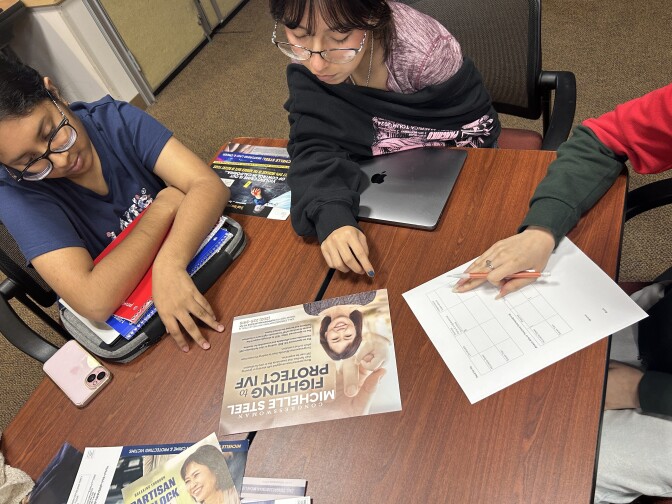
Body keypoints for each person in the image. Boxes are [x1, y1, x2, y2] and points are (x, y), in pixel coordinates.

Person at [454, 83, 672, 503]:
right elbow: (605, 137)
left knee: (532, 470)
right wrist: (542, 229)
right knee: (491, 383)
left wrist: (641, 391)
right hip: (663, 324)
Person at [0, 57, 230, 352]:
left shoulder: (113, 119)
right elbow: (94, 300)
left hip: (184, 265)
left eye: (52, 133)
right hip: (135, 328)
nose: (61, 160)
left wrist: (169, 264)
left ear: (54, 93)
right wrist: (165, 205)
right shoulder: (18, 192)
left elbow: (208, 186)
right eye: (30, 161)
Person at [269, 0, 501, 276]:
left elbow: (473, 131)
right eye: (299, 35)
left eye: (340, 38)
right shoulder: (308, 55)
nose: (317, 63)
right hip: (379, 179)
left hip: (451, 167)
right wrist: (331, 215)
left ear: (370, 17)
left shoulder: (425, 53)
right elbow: (314, 137)